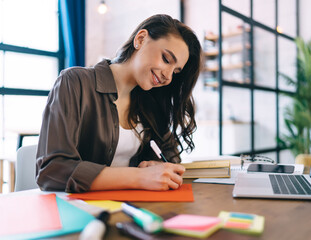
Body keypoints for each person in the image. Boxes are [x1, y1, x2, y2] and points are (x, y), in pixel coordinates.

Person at [35, 14, 202, 193]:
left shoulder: (150, 101)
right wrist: (138, 177)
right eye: (166, 59)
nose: (168, 77)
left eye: (175, 72)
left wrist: (158, 166)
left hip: (130, 207)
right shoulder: (75, 82)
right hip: (77, 209)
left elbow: (171, 158)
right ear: (141, 39)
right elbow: (52, 170)